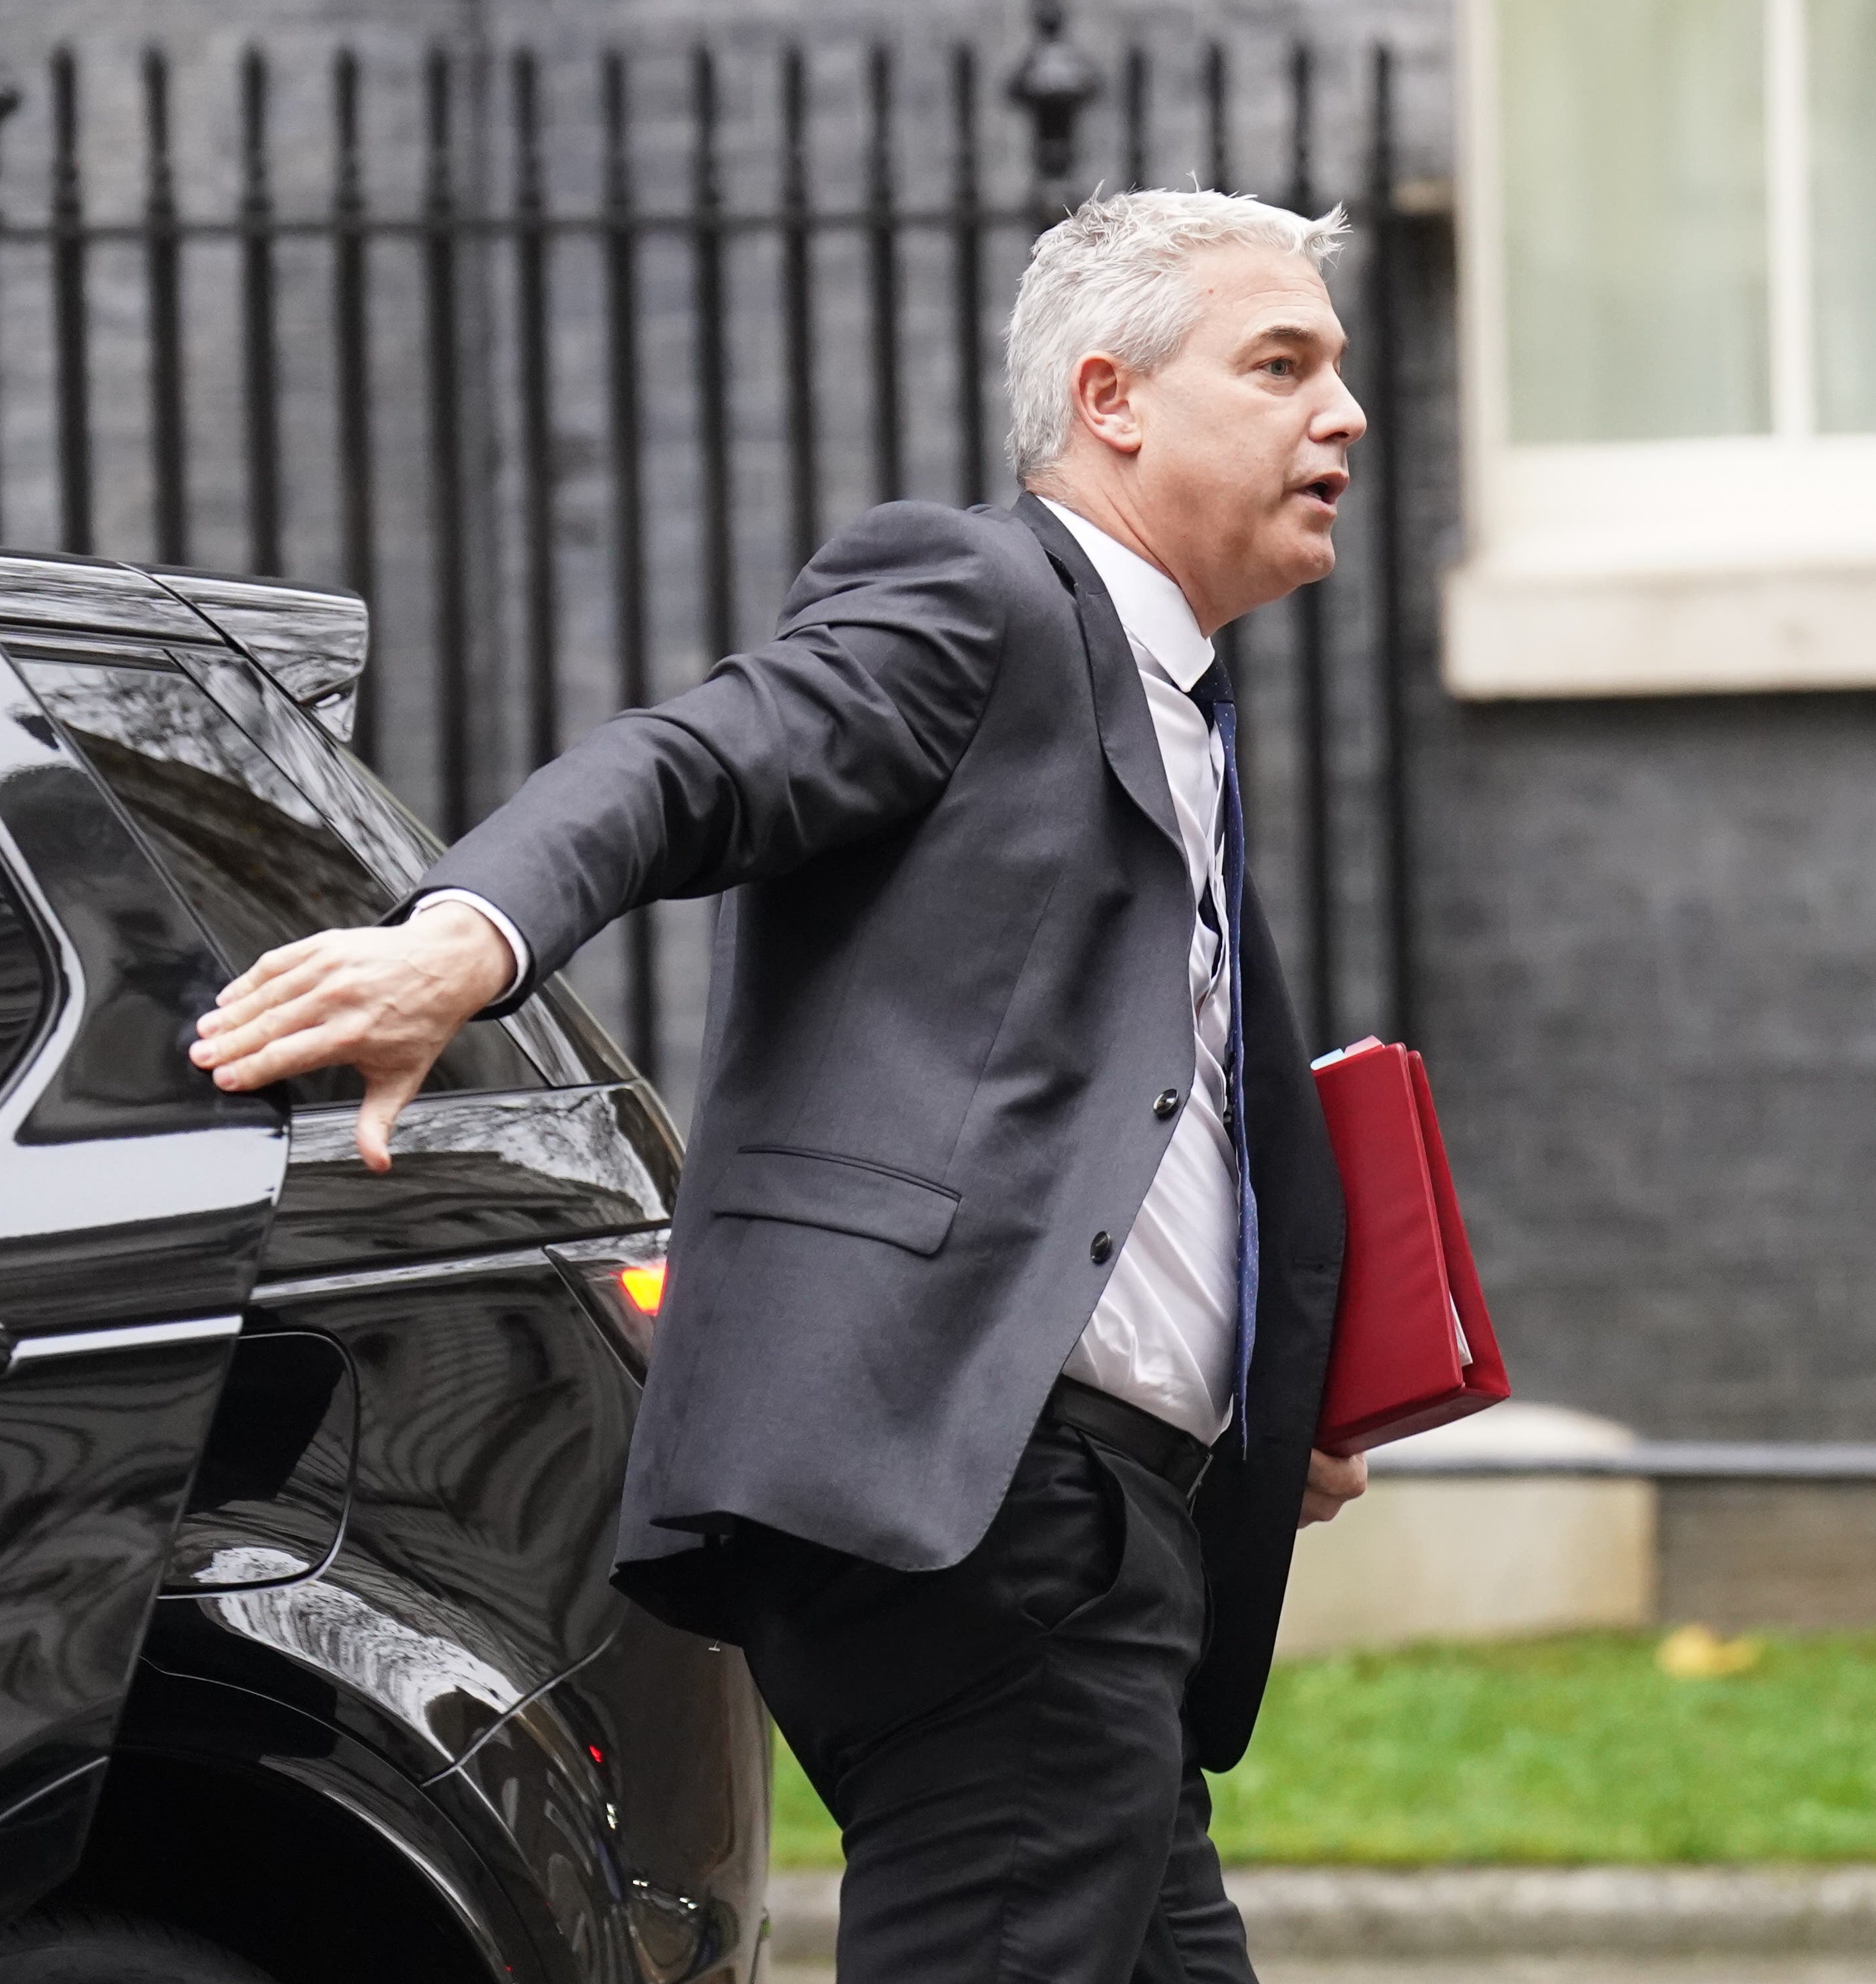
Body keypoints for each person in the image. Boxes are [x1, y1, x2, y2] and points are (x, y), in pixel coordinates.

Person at [189, 188, 1368, 1983]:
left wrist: (1259, 1395)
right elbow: (697, 763)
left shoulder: (1170, 702)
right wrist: (467, 935)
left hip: (1097, 1524)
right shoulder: (982, 598)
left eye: (1335, 367)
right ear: (1113, 399)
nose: (1341, 412)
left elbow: (1134, 1122)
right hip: (986, 1505)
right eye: (1281, 364)